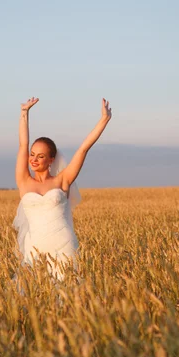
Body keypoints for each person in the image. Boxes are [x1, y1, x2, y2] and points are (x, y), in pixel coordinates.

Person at [13, 97, 112, 281]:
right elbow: (22, 146)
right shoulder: (24, 180)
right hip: (34, 247)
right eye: (32, 155)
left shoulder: (63, 180)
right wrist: (24, 113)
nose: (33, 159)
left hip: (63, 244)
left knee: (67, 292)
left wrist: (104, 119)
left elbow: (83, 149)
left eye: (40, 156)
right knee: (33, 294)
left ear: (51, 160)